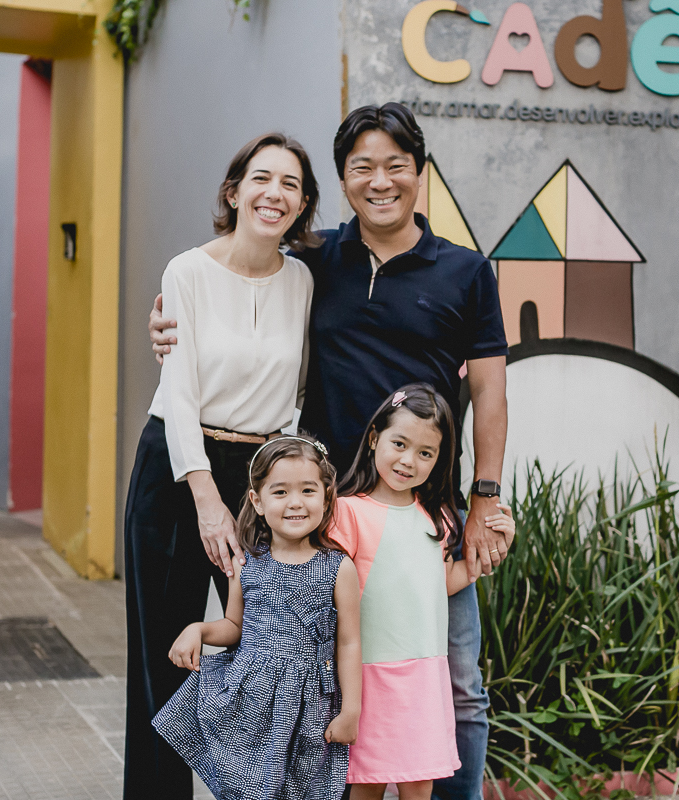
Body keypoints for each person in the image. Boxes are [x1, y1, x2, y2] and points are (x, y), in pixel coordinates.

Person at [150, 103, 510, 800]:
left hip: (423, 513)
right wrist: (167, 318)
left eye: (395, 166)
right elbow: (233, 281)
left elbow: (491, 395)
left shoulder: (466, 272)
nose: (381, 181)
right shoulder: (314, 261)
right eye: (362, 168)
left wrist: (485, 502)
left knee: (456, 684)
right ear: (342, 182)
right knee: (327, 678)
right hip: (324, 517)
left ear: (419, 173)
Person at [125, 132, 321, 800]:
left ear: (302, 205)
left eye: (291, 184)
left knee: (271, 652)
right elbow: (177, 393)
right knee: (166, 660)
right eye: (262, 178)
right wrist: (207, 499)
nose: (276, 194)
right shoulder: (186, 272)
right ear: (234, 191)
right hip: (180, 469)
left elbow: (296, 397)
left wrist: (276, 491)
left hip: (261, 475)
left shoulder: (303, 280)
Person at [152, 435, 362, 800]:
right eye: (280, 492)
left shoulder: (338, 568)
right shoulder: (246, 562)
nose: (295, 503)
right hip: (252, 701)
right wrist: (197, 629)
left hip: (309, 707)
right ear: (257, 501)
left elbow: (349, 642)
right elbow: (234, 626)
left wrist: (352, 711)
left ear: (327, 497)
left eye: (308, 491)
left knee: (303, 790)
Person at [329, 385, 513, 800]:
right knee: (366, 787)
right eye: (399, 444)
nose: (409, 461)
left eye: (425, 453)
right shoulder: (347, 512)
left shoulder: (438, 517)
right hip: (369, 679)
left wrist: (494, 550)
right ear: (375, 437)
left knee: (420, 784)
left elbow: (440, 582)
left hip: (424, 680)